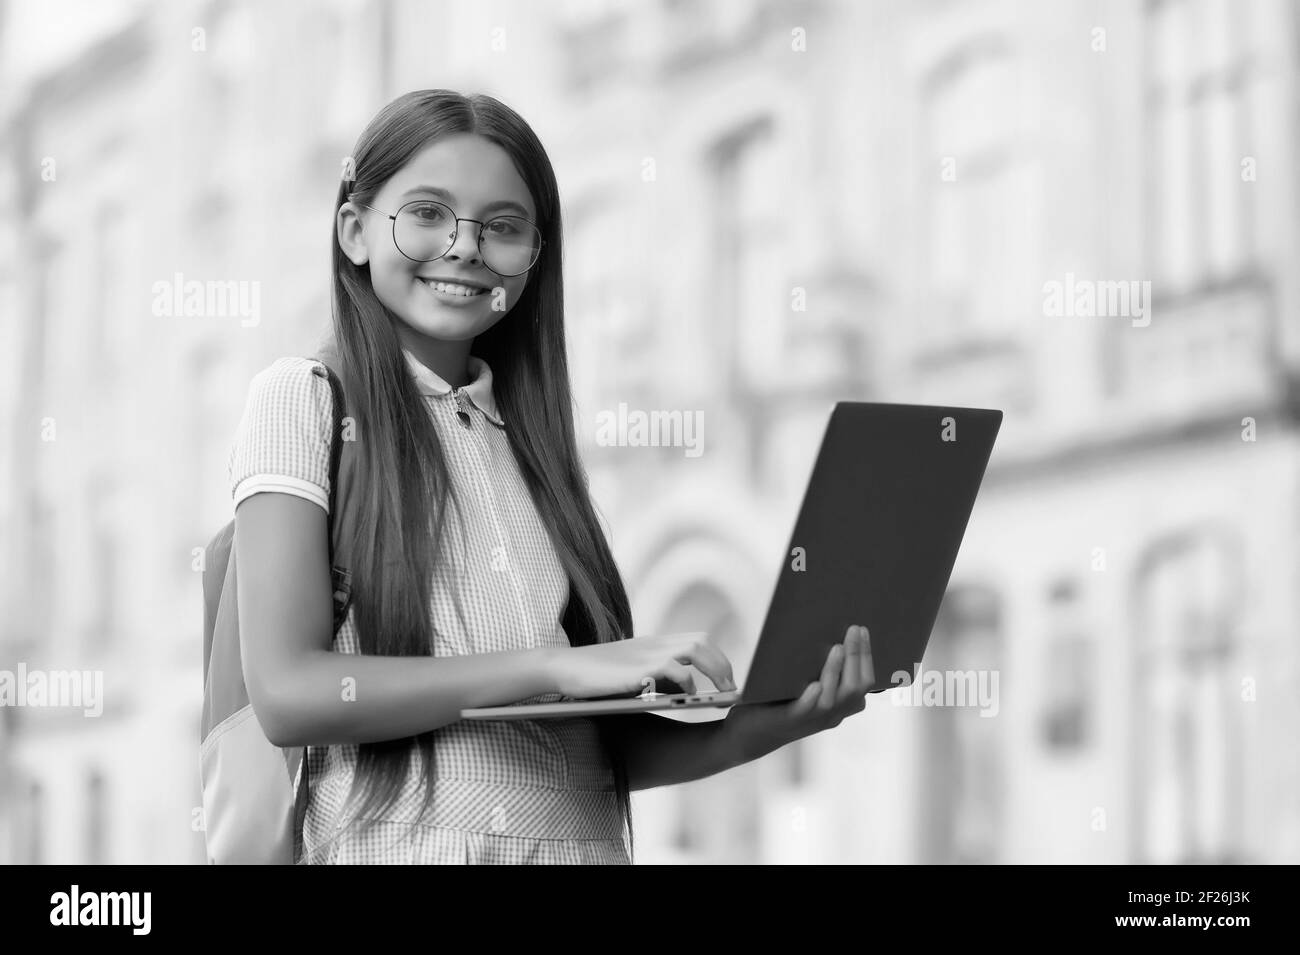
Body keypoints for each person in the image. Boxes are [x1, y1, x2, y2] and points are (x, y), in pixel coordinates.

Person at [229, 89, 874, 864]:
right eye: (427, 213)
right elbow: (289, 692)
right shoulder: (302, 399)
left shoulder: (533, 443)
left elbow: (588, 765)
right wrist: (556, 668)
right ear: (355, 230)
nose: (466, 247)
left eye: (503, 227)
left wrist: (782, 717)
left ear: (534, 256)